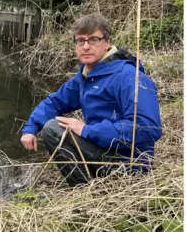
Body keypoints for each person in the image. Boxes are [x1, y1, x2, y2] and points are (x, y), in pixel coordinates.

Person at [20, 13, 162, 186]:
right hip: (103, 150)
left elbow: (148, 128)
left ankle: (85, 190)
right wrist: (31, 128)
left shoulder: (128, 77)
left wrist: (87, 130)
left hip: (129, 163)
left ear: (107, 42)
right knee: (53, 124)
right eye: (80, 41)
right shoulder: (88, 74)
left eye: (93, 40)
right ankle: (90, 184)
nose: (86, 46)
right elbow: (56, 102)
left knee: (52, 129)